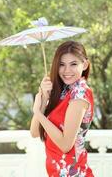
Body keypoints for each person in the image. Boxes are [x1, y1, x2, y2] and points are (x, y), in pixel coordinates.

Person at [30, 40, 94, 177]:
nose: (67, 71)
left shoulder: (80, 94)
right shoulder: (62, 91)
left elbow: (65, 145)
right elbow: (35, 132)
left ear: (85, 65)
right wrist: (44, 97)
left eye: (73, 64)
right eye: (61, 65)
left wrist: (37, 113)